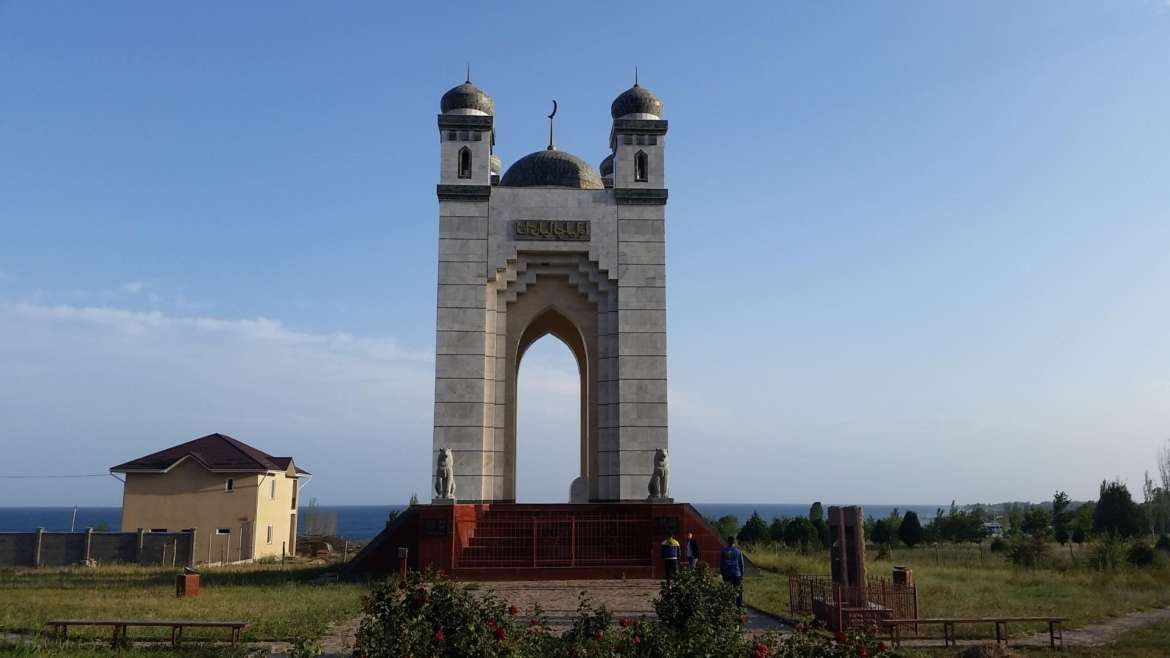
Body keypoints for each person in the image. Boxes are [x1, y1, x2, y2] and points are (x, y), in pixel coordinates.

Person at [720, 535, 745, 608]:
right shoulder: (738, 551)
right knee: (738, 592)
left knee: (727, 591)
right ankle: (738, 607)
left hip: (727, 574)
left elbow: (721, 564)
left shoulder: (723, 551)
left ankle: (728, 606)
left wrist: (722, 573)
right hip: (737, 574)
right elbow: (741, 565)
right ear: (734, 542)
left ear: (727, 542)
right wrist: (742, 575)